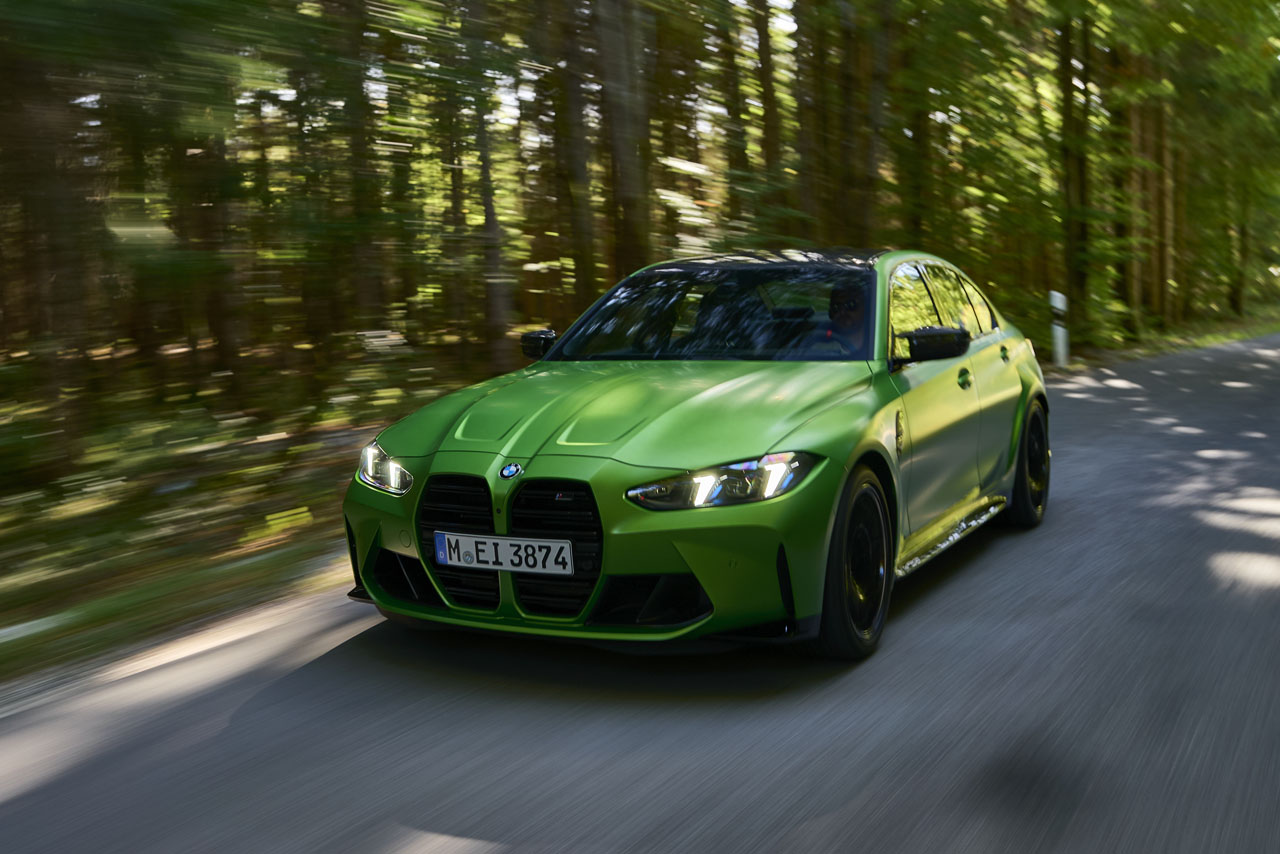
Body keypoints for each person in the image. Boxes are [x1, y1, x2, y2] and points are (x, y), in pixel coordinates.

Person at [810, 280, 868, 355]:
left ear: (866, 309)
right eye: (836, 307)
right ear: (830, 314)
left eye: (851, 305)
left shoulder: (879, 349)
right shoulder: (819, 351)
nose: (842, 312)